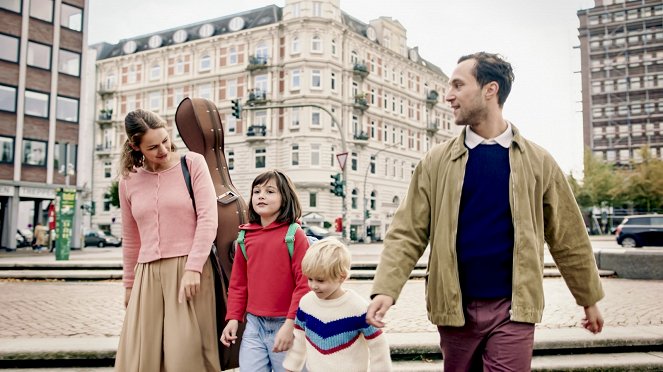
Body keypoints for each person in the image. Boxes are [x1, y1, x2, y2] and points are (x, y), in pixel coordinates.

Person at [366, 52, 605, 371]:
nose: (448, 95)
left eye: (458, 85)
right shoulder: (436, 162)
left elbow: (568, 236)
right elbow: (407, 231)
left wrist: (588, 298)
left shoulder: (538, 161)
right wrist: (385, 288)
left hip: (514, 311)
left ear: (490, 90)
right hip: (455, 309)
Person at [114, 109, 220, 371]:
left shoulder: (192, 163)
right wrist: (129, 285)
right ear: (135, 146)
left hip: (188, 271)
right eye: (152, 146)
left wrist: (194, 267)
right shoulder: (128, 181)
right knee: (142, 354)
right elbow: (131, 237)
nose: (163, 149)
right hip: (147, 275)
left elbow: (208, 219)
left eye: (165, 140)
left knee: (186, 353)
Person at [220, 169, 310, 372]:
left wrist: (291, 325)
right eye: (257, 191)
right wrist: (233, 318)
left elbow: (304, 285)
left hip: (286, 324)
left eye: (270, 191)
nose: (261, 195)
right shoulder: (245, 237)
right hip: (254, 325)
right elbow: (238, 284)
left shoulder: (294, 235)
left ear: (285, 198)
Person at [283, 238, 392, 372]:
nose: (313, 286)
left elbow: (378, 345)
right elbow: (299, 340)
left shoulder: (358, 308)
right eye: (310, 279)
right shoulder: (306, 304)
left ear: (341, 277)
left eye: (320, 280)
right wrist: (291, 367)